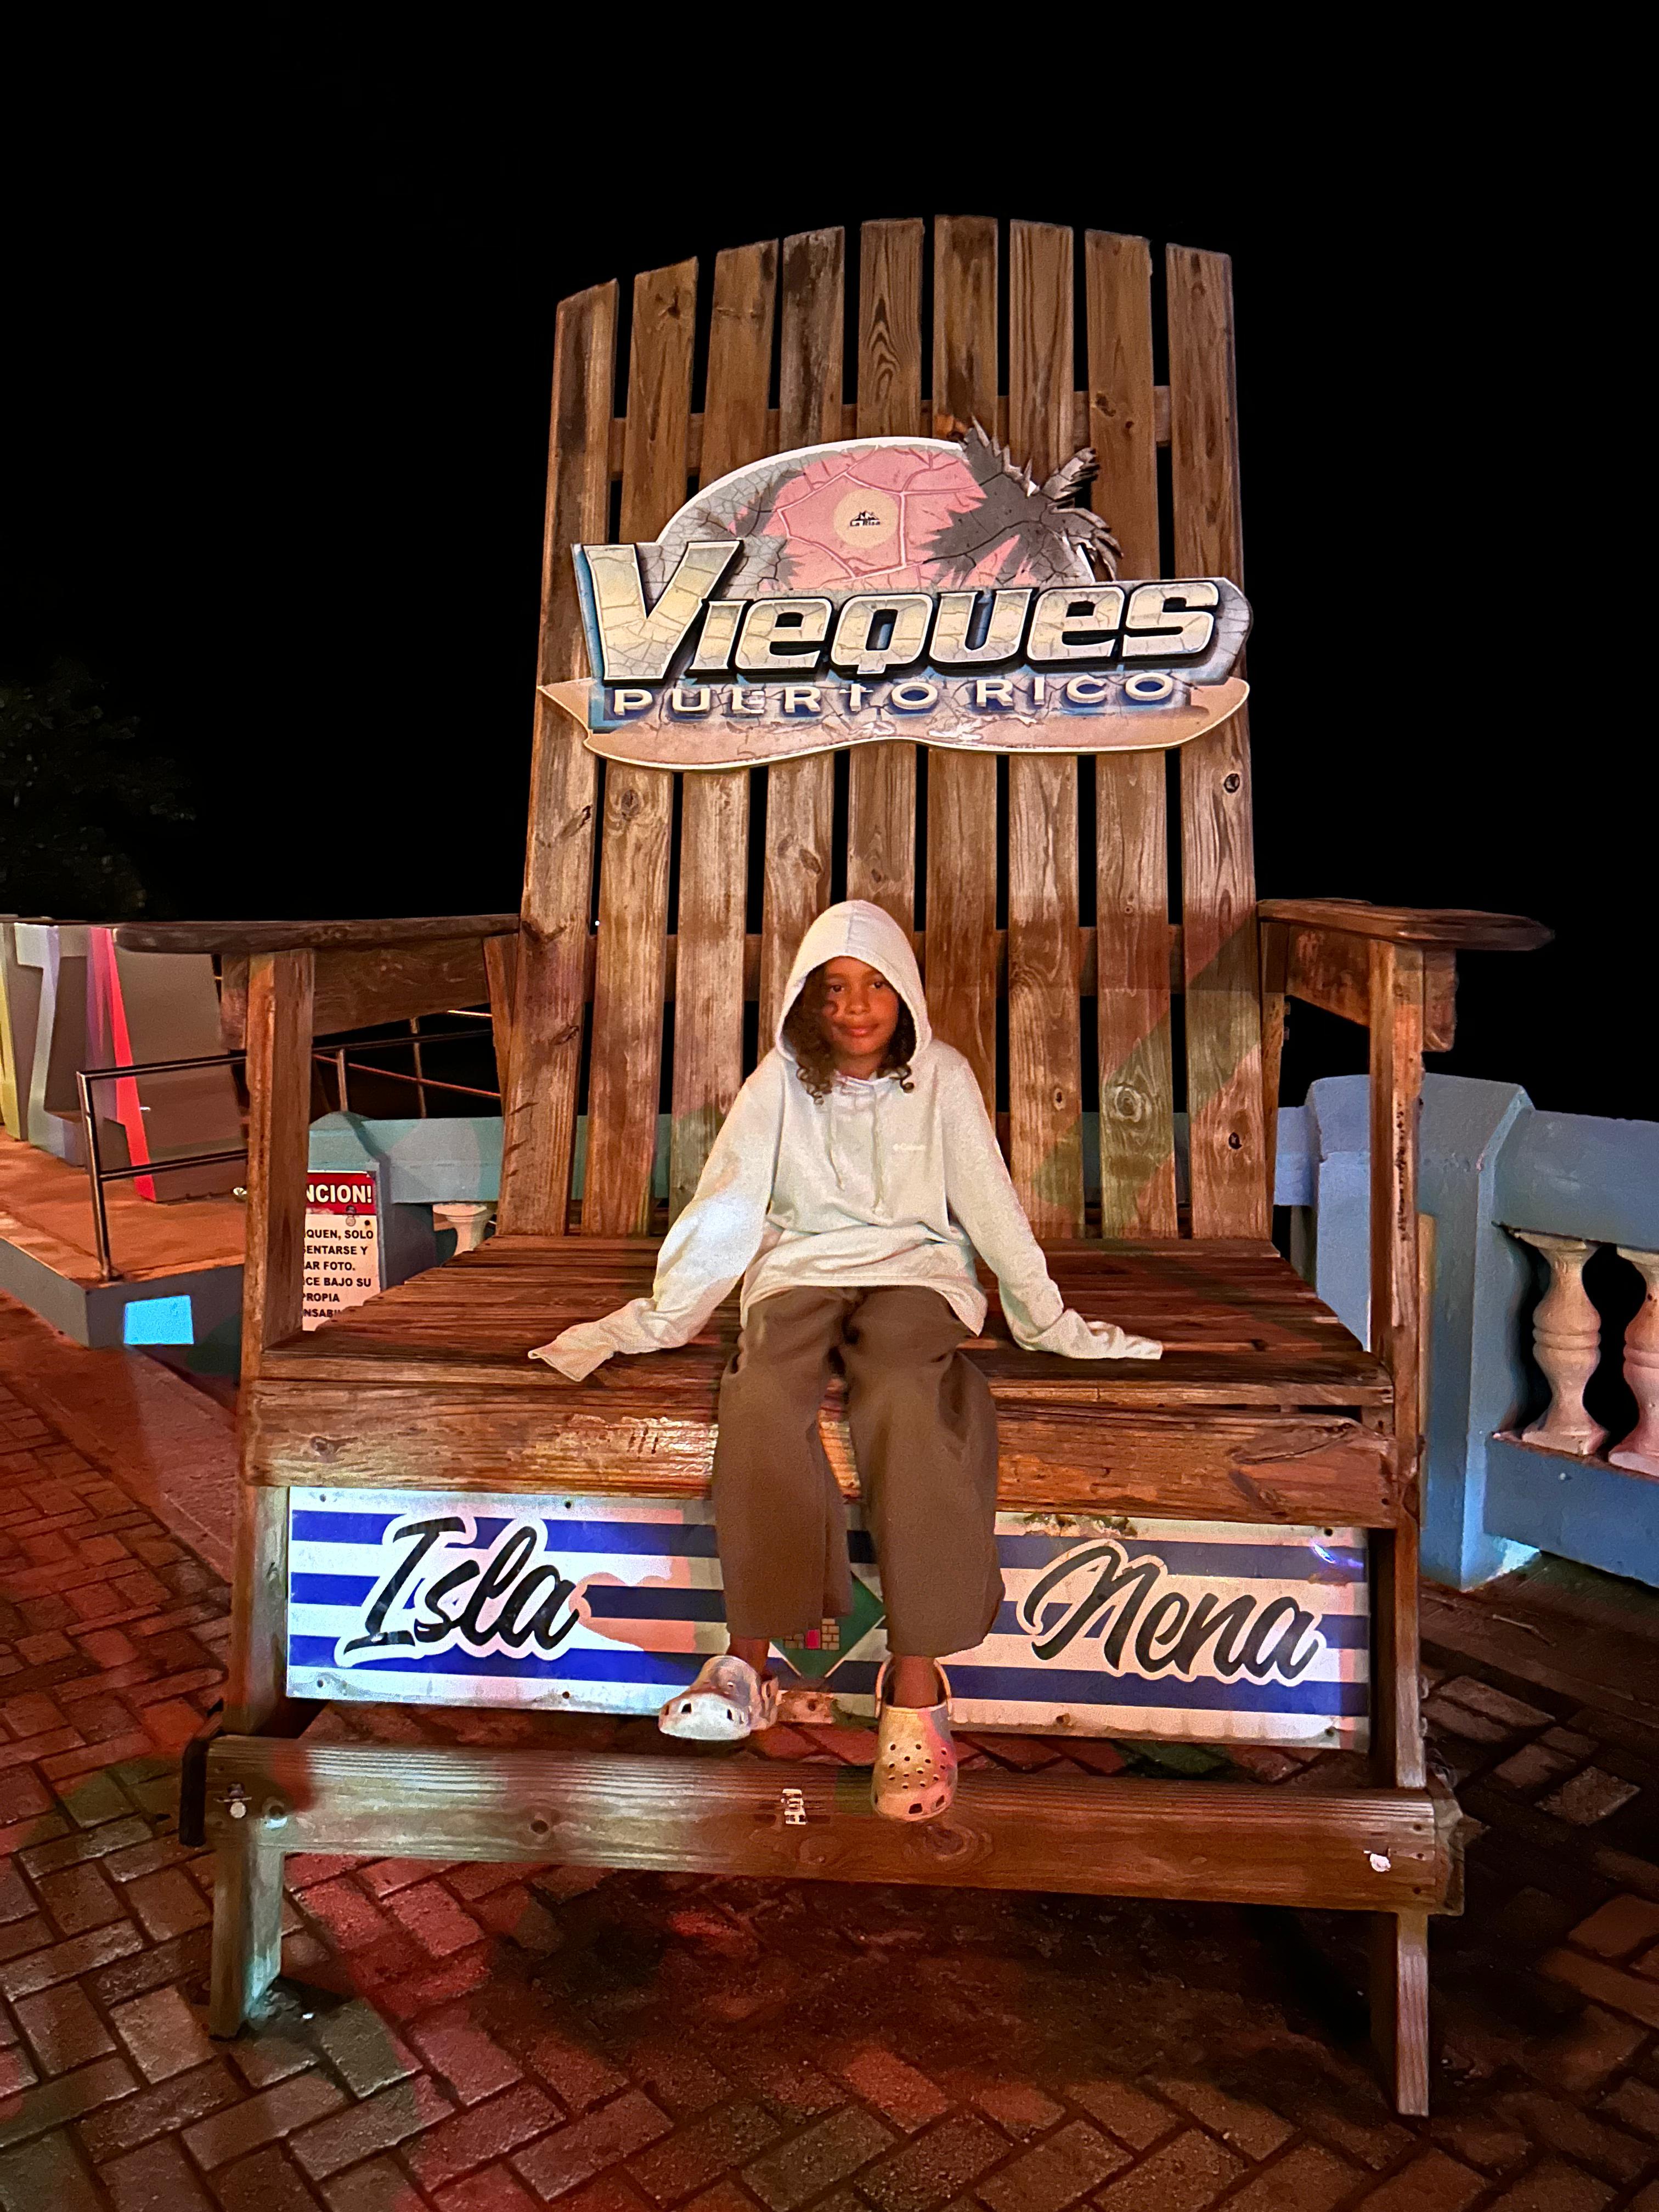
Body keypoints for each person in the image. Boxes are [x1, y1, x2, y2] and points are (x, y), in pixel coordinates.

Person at [533, 900, 1159, 1821]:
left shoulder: (942, 1077)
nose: (856, 1007)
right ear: (806, 1002)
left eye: (874, 986)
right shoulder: (780, 1083)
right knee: (759, 1393)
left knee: (905, 1392)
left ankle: (915, 1682)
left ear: (904, 995)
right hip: (800, 1269)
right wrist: (669, 1313)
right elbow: (730, 1201)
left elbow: (990, 1206)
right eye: (834, 990)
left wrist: (1045, 1314)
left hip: (916, 1271)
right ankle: (748, 1662)